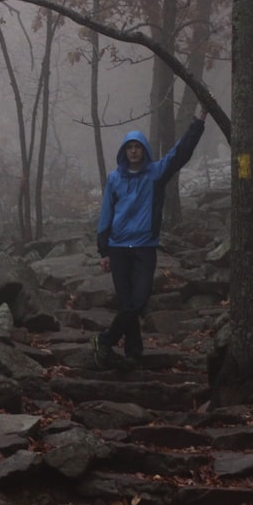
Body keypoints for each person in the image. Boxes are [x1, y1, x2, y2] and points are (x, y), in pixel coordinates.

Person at [91, 106, 209, 369]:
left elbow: (181, 152)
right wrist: (104, 251)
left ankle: (105, 340)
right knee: (126, 303)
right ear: (124, 151)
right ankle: (133, 353)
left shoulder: (155, 174)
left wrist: (198, 120)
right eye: (129, 147)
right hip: (118, 248)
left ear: (144, 149)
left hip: (144, 248)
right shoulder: (114, 179)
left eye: (138, 146)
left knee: (139, 300)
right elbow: (106, 214)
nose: (134, 151)